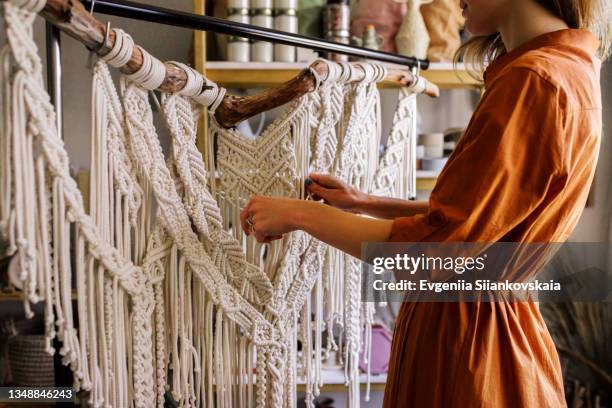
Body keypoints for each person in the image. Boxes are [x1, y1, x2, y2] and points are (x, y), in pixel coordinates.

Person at [239, 0, 610, 405]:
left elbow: (439, 252)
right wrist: (367, 203)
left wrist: (299, 215)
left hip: (470, 349)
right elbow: (488, 220)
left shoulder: (534, 80)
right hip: (491, 335)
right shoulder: (565, 68)